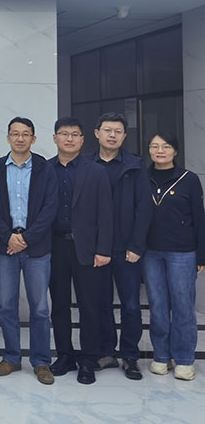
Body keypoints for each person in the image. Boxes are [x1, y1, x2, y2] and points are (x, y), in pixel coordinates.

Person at [0, 116, 58, 385]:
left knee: (39, 308)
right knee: (6, 306)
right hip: (6, 248)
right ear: (8, 138)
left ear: (33, 139)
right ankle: (11, 357)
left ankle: (41, 361)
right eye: (15, 133)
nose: (20, 138)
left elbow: (50, 208)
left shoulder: (44, 169)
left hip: (37, 248)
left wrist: (26, 238)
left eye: (25, 134)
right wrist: (9, 237)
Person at [47, 117, 113, 385]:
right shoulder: (45, 170)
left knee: (89, 306)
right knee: (59, 305)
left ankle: (88, 359)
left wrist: (103, 249)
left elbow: (106, 213)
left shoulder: (96, 171)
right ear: (55, 138)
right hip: (55, 246)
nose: (70, 139)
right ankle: (64, 355)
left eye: (75, 134)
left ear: (83, 140)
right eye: (64, 134)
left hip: (87, 248)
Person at [89, 112, 151, 380]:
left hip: (128, 250)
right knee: (101, 303)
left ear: (124, 136)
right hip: (98, 249)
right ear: (97, 133)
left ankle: (130, 355)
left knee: (131, 306)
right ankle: (106, 352)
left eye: (118, 131)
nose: (112, 135)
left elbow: (144, 209)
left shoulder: (135, 166)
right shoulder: (86, 164)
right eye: (107, 130)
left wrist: (136, 246)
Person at [144, 133, 205, 381]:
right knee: (157, 306)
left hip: (183, 252)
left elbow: (199, 218)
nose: (160, 151)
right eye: (155, 146)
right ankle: (161, 356)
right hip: (150, 253)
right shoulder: (142, 177)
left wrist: (201, 255)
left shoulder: (189, 179)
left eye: (166, 146)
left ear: (175, 151)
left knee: (182, 306)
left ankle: (184, 359)